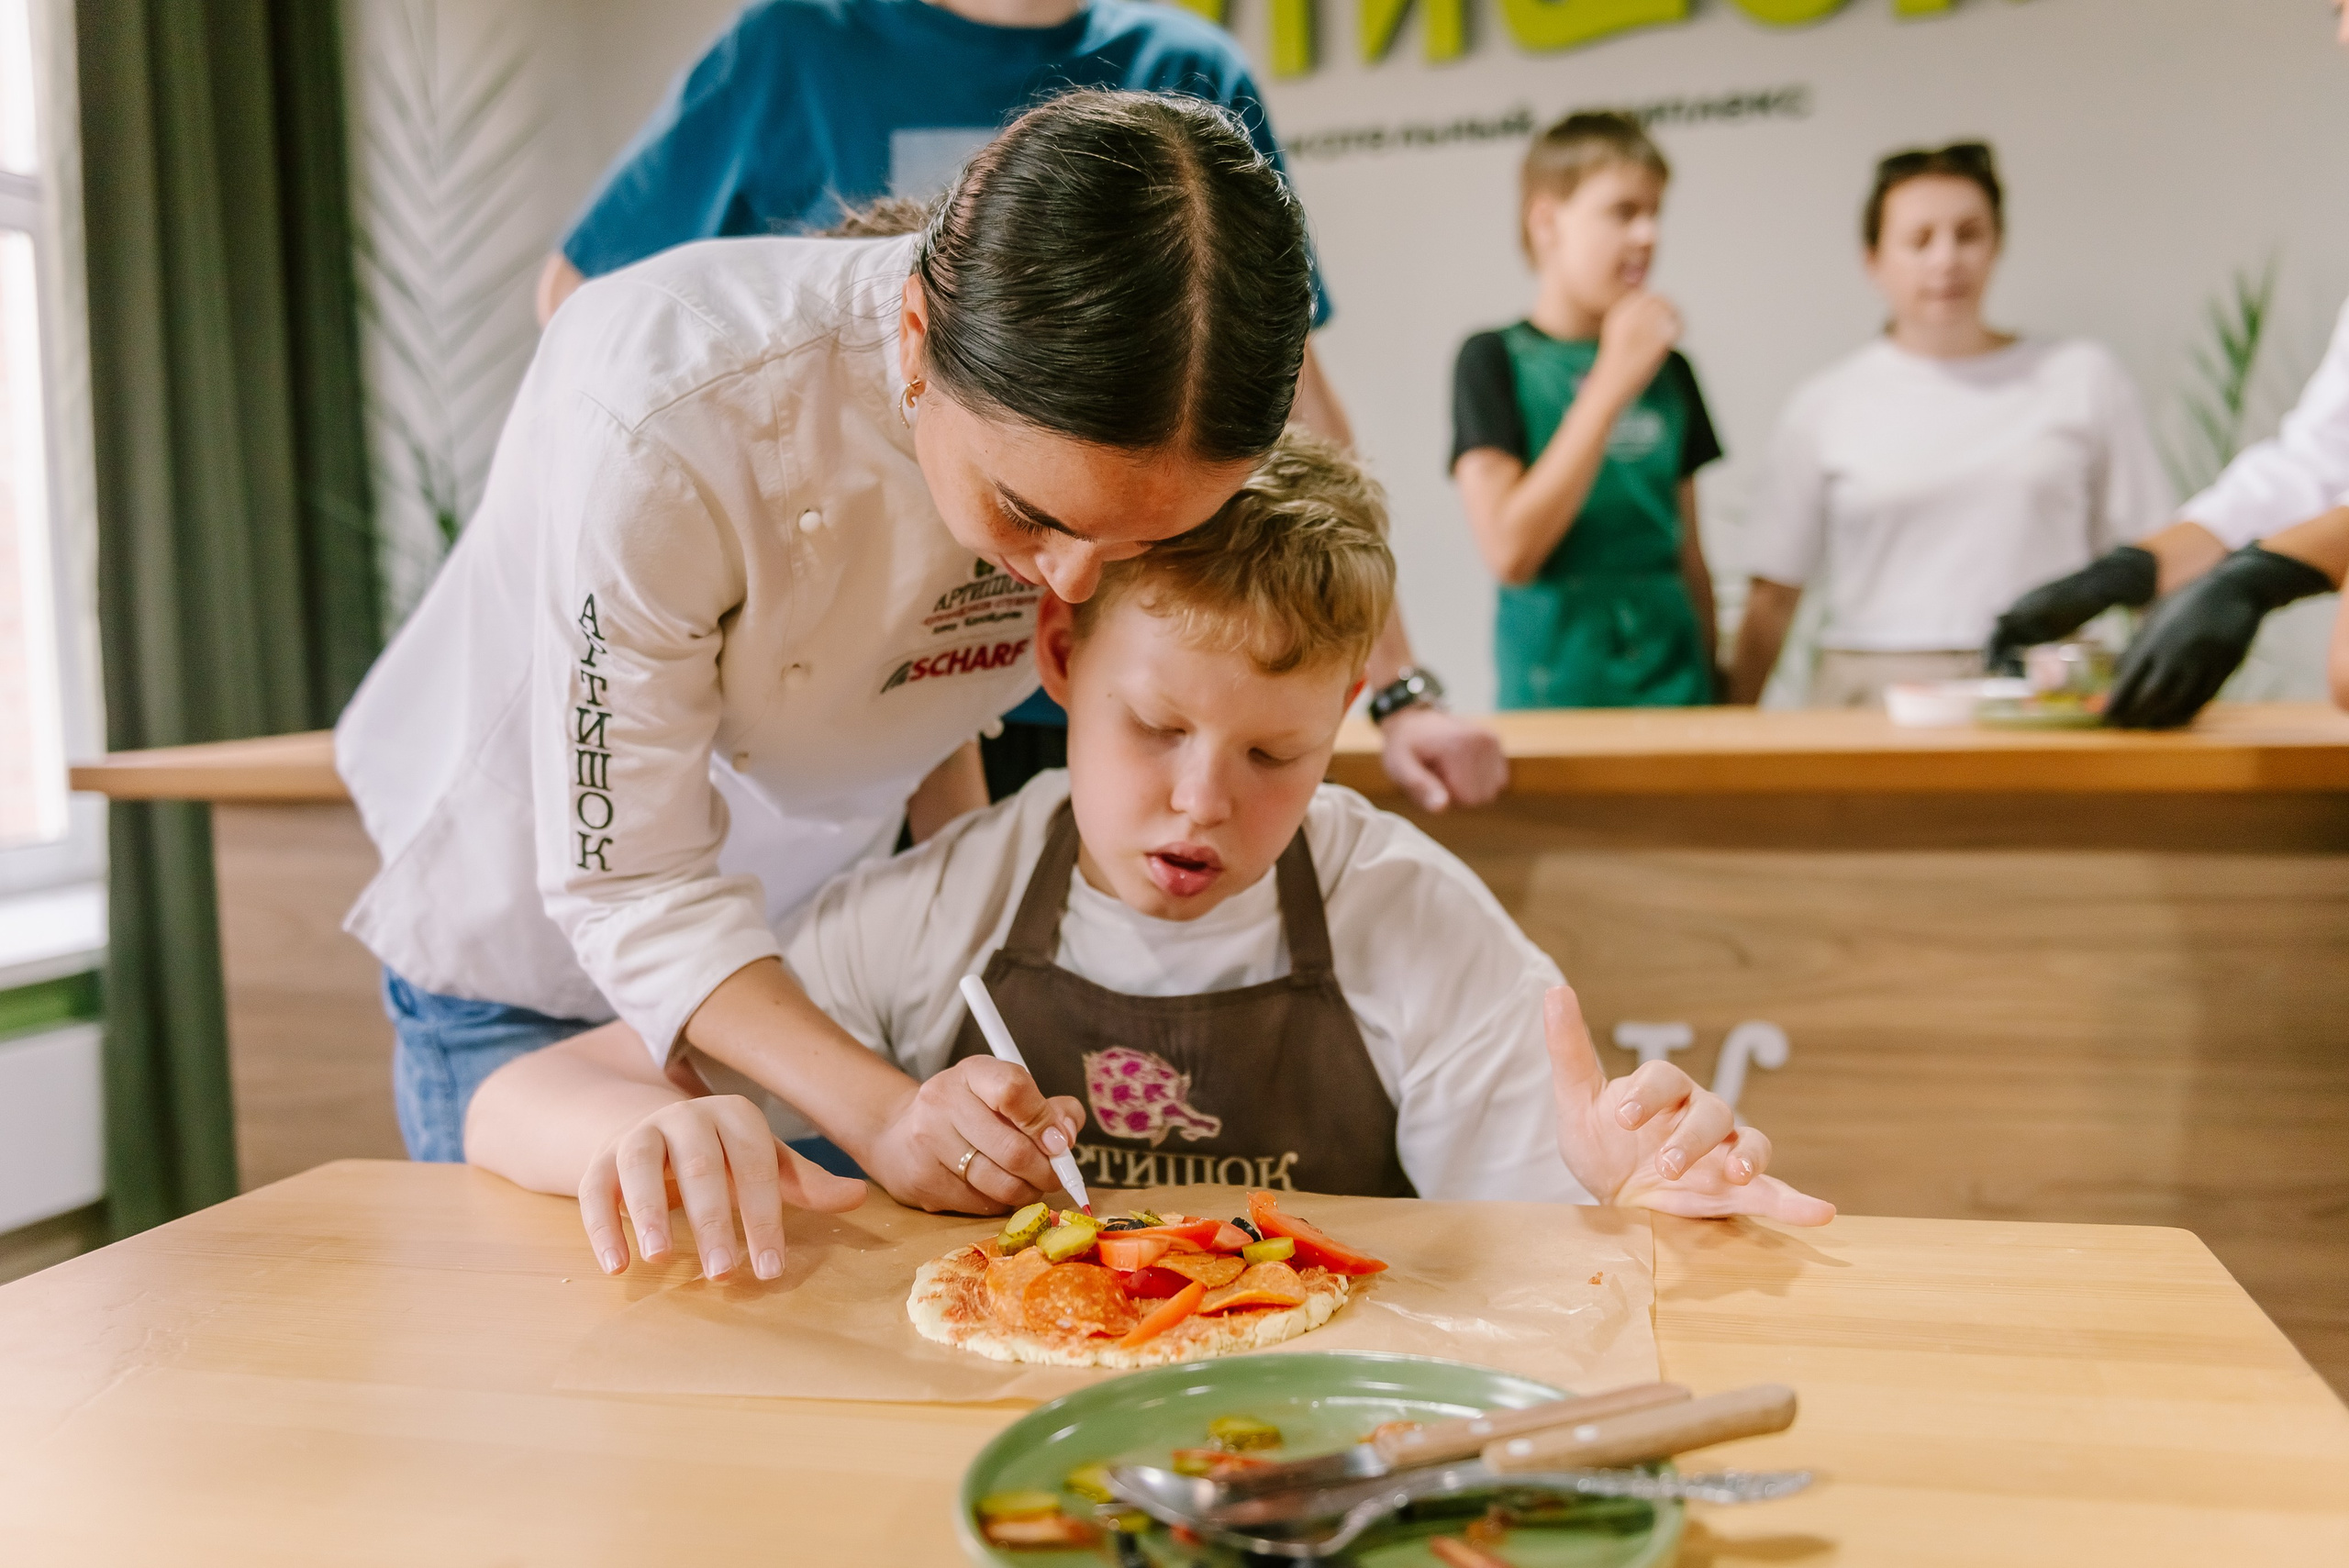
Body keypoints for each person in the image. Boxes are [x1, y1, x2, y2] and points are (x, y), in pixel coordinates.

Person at [462, 432, 1833, 1279]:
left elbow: (1555, 1261)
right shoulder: (959, 898)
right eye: (1157, 726)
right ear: (1058, 657)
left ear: (1344, 720)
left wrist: (1629, 1202)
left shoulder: (1404, 915)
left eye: (1272, 757)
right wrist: (659, 1126)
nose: (1200, 804)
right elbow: (519, 1098)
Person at [337, 93, 1319, 1216]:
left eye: (1147, 537)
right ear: (915, 338)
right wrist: (886, 1109)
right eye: (1026, 515)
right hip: (525, 969)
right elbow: (633, 884)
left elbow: (928, 694)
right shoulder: (662, 406)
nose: (1074, 582)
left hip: (813, 964)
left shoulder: (1127, 435)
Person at [540, 0, 1506, 813]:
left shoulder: (1181, 65)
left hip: (1102, 691)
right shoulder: (797, 43)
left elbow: (1286, 398)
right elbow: (589, 311)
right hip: (844, 686)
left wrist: (1397, 682)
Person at [1728, 141, 2172, 710]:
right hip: (1873, 691)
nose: (1946, 260)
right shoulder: (1826, 403)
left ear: (1997, 245)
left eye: (1968, 235)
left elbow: (2153, 555)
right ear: (1874, 261)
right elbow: (1773, 594)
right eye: (1919, 240)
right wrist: (1729, 726)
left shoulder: (2081, 377)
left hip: (2044, 685)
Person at [1451, 111, 1725, 710]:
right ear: (1547, 221)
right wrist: (1610, 385)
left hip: (1678, 691)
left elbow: (1691, 556)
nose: (1648, 234)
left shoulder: (1673, 370)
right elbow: (1510, 550)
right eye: (1624, 212)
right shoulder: (1492, 358)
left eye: (1655, 213)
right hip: (1558, 695)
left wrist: (1721, 694)